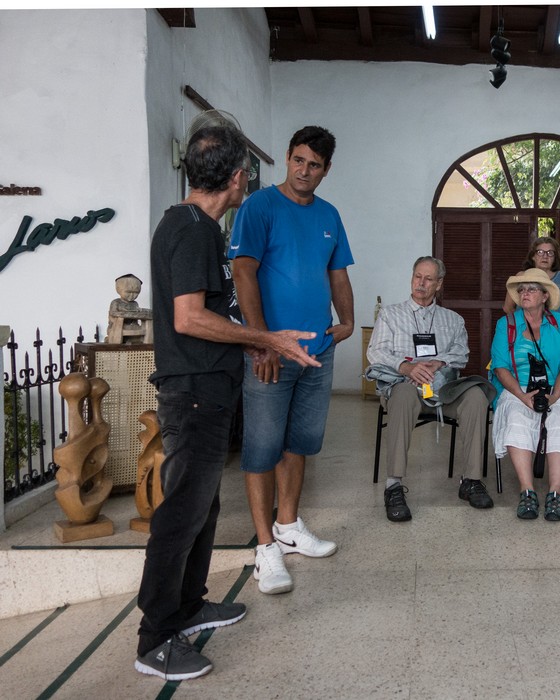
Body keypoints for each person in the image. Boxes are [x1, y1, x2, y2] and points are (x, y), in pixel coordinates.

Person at [137, 125, 320, 681]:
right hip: (192, 391)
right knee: (181, 513)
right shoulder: (192, 230)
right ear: (238, 178)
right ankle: (156, 638)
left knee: (204, 507)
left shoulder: (196, 227)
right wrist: (265, 339)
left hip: (207, 390)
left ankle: (190, 606)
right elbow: (188, 318)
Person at [229, 125, 355, 594]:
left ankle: (288, 526)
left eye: (314, 165)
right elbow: (244, 273)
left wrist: (346, 321)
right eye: (298, 160)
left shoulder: (329, 215)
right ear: (287, 157)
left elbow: (337, 273)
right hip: (271, 353)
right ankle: (265, 549)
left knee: (298, 443)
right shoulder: (259, 207)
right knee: (262, 447)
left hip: (315, 353)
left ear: (326, 170)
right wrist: (261, 341)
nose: (304, 171)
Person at [366, 256, 495, 521]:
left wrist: (440, 361)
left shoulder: (453, 320)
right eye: (417, 277)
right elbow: (375, 352)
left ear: (439, 284)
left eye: (428, 279)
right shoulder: (391, 314)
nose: (421, 283)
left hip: (443, 390)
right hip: (406, 388)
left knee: (475, 395)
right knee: (401, 394)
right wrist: (405, 367)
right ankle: (393, 485)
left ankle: (471, 480)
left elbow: (462, 353)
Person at [491, 267, 560, 521]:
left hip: (555, 389)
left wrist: (553, 397)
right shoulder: (506, 323)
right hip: (516, 388)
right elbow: (499, 366)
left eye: (531, 289)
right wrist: (521, 395)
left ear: (544, 296)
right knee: (517, 419)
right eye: (522, 289)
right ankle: (527, 492)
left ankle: (555, 494)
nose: (524, 293)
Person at [503, 236, 560, 319]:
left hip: (557, 330)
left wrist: (559, 324)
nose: (545, 256)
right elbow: (508, 308)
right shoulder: (521, 277)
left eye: (550, 253)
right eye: (540, 252)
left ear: (555, 257)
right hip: (525, 331)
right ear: (533, 256)